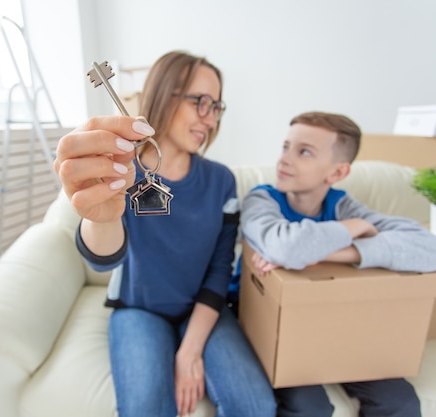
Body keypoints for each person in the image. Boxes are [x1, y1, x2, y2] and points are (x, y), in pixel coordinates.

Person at [53, 51, 276, 417]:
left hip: (203, 311)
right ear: (163, 93)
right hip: (138, 310)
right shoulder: (121, 170)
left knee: (255, 406)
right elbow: (103, 256)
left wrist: (189, 352)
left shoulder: (222, 181)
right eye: (199, 102)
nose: (209, 117)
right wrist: (102, 217)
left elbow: (221, 268)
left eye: (216, 106)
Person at [237, 111, 436, 417]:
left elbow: (434, 250)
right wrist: (352, 228)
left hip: (335, 322)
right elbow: (285, 246)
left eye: (304, 152)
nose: (284, 159)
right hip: (270, 323)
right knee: (309, 407)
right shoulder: (262, 200)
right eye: (286, 147)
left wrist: (332, 253)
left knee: (400, 402)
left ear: (337, 173)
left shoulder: (342, 205)